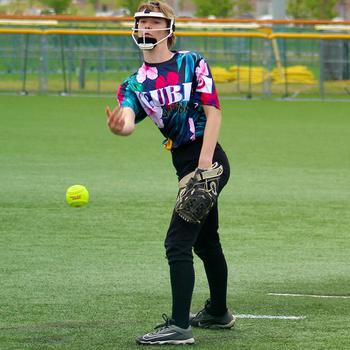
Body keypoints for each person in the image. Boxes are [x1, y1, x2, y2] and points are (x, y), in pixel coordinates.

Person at [106, 1, 235, 345]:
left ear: (169, 29)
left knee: (177, 242)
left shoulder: (191, 62)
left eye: (153, 21)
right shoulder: (133, 84)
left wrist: (203, 168)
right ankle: (219, 312)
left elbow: (214, 113)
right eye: (141, 22)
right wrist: (122, 126)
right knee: (206, 243)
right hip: (185, 163)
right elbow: (130, 118)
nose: (146, 27)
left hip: (208, 161)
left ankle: (180, 326)